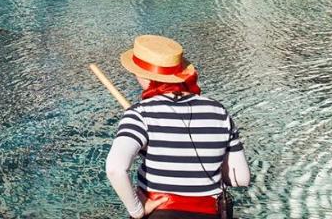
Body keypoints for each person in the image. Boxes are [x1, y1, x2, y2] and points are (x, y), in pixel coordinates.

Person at [106, 35, 251, 219]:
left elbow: (114, 168)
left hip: (159, 212)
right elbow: (241, 179)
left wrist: (137, 210)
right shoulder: (218, 111)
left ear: (142, 75)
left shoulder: (140, 114)